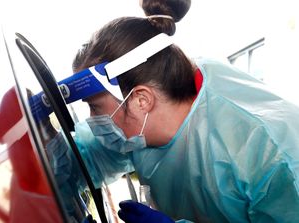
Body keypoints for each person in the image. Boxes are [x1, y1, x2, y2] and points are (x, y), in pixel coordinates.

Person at [64, 0, 299, 222]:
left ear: (141, 100)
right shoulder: (140, 127)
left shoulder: (266, 153)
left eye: (94, 107)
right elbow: (81, 163)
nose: (93, 120)